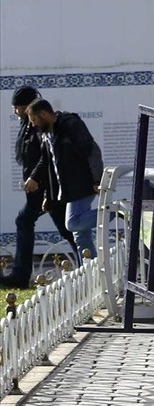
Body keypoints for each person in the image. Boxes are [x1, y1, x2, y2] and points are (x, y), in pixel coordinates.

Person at [0, 87, 77, 289]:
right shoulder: (28, 125)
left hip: (47, 187)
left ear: (26, 106)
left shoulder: (37, 125)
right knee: (66, 228)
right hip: (40, 188)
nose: (14, 111)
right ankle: (89, 265)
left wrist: (35, 178)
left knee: (27, 221)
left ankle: (21, 274)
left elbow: (46, 156)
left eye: (17, 107)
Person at [27, 99, 102, 260]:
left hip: (84, 184)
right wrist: (39, 185)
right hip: (69, 189)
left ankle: (115, 212)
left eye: (34, 120)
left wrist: (97, 180)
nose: (33, 125)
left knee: (72, 223)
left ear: (44, 114)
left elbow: (92, 150)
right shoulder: (48, 134)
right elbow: (47, 163)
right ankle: (90, 271)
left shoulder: (70, 125)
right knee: (80, 236)